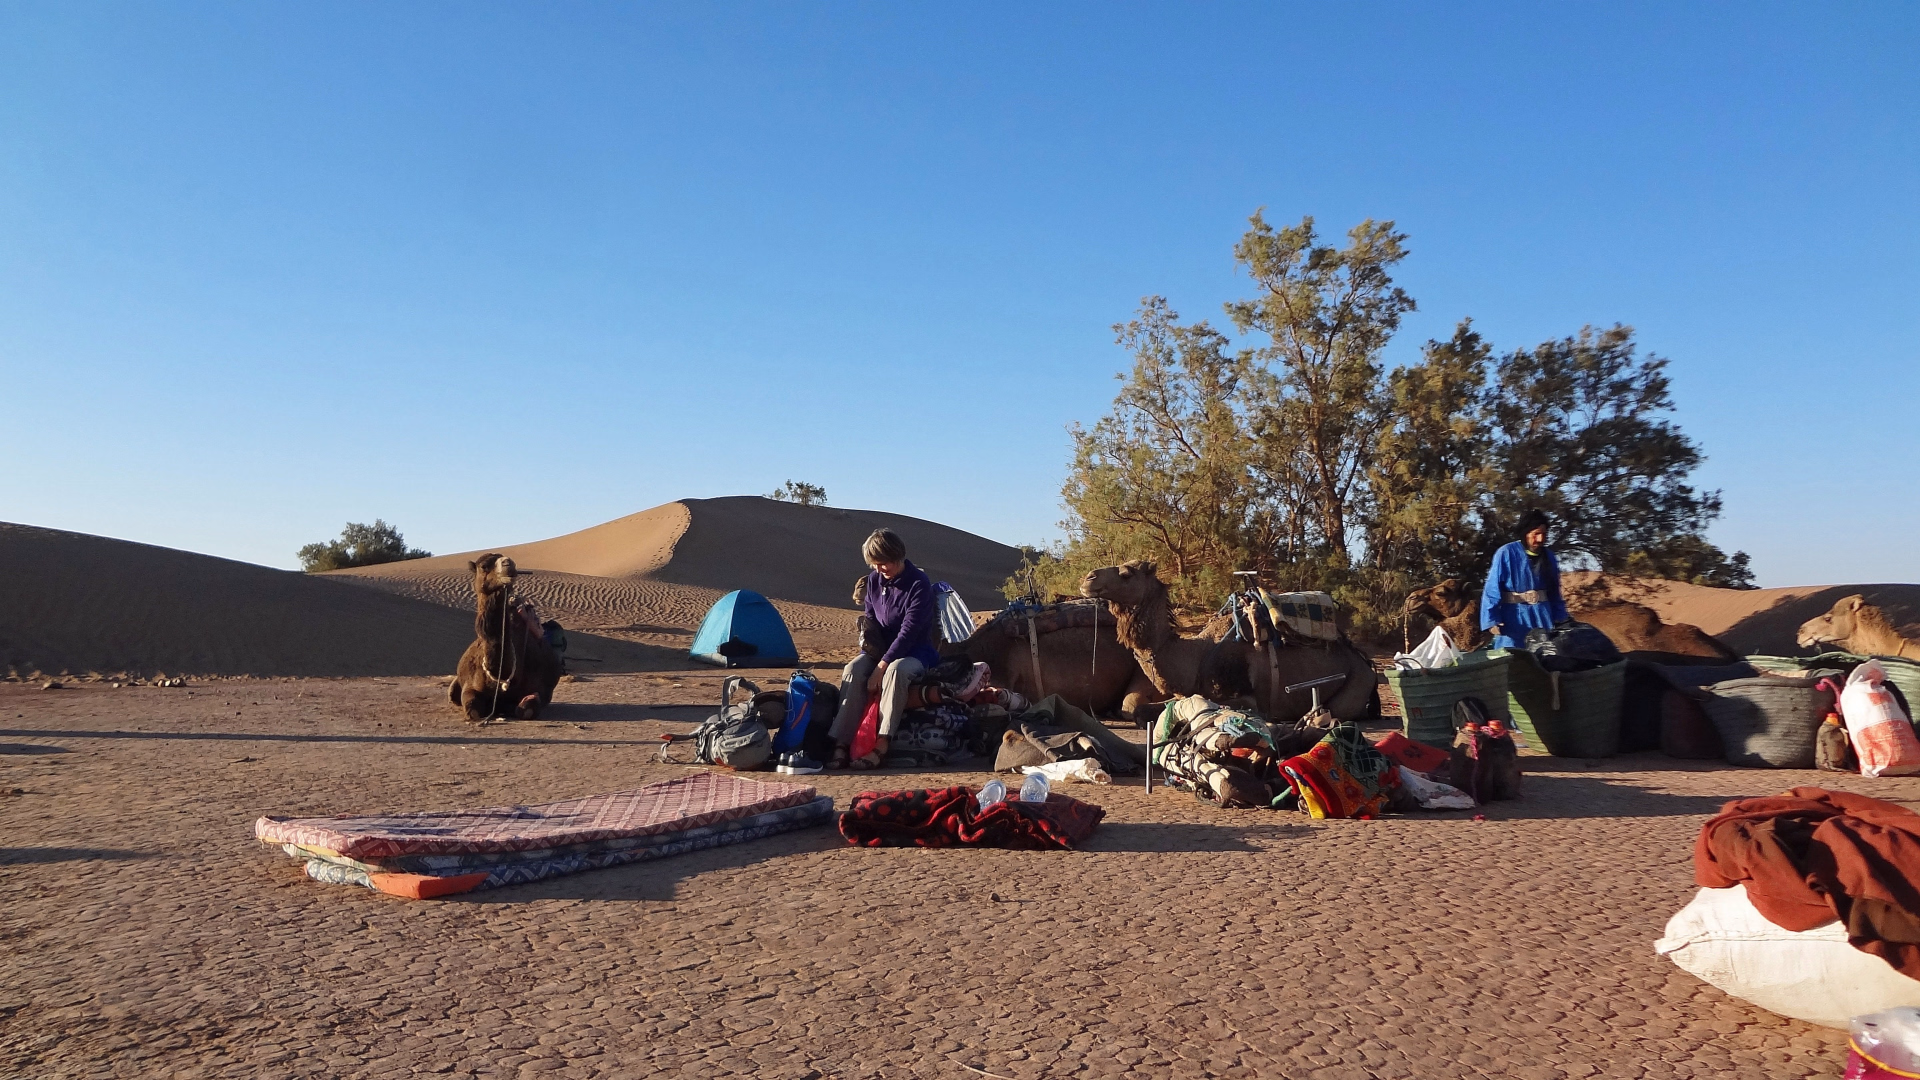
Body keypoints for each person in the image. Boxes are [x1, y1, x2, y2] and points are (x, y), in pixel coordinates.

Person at [828, 528, 940, 769]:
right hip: (880, 650)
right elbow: (870, 620)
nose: (880, 569)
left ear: (897, 556)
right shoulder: (873, 582)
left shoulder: (918, 584)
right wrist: (872, 653)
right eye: (874, 565)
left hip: (915, 651)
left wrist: (881, 665)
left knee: (896, 672)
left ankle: (881, 743)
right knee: (854, 669)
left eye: (883, 563)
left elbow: (910, 631)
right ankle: (842, 744)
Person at [1479, 510, 1570, 649]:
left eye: (1544, 534)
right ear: (1525, 533)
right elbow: (1492, 589)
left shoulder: (1549, 557)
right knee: (1513, 661)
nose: (1540, 539)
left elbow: (1554, 593)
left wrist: (1561, 617)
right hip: (1514, 619)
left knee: (1546, 658)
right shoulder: (1506, 553)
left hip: (1543, 618)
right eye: (1536, 534)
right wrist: (1491, 620)